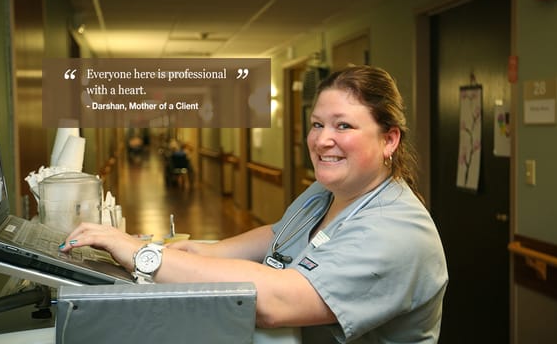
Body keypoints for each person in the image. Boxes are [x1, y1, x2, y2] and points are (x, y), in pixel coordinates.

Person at [60, 65, 448, 343]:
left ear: (389, 140)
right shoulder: (327, 191)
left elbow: (278, 301)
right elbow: (278, 236)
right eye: (317, 124)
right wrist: (192, 250)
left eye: (343, 126)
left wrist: (145, 256)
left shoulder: (395, 230)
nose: (322, 140)